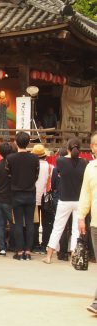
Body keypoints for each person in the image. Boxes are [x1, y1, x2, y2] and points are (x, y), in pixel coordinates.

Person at [43, 139, 88, 264]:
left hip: (64, 199)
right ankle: (74, 255)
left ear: (67, 148)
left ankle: (48, 256)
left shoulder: (60, 161)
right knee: (76, 230)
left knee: (58, 228)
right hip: (79, 200)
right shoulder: (84, 162)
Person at [6, 132, 40, 261]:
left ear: (16, 142)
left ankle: (19, 252)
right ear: (28, 142)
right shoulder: (35, 158)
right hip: (30, 193)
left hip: (16, 193)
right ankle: (28, 252)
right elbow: (36, 175)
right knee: (30, 223)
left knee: (18, 223)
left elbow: (8, 174)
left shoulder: (11, 158)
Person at [77, 131, 97, 314]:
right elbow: (86, 194)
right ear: (92, 148)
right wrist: (81, 216)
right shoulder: (90, 168)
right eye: (96, 144)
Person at [31, 144, 52, 254]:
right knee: (46, 223)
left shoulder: (32, 166)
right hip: (46, 197)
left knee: (34, 222)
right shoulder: (50, 167)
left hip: (33, 196)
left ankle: (34, 244)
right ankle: (44, 245)